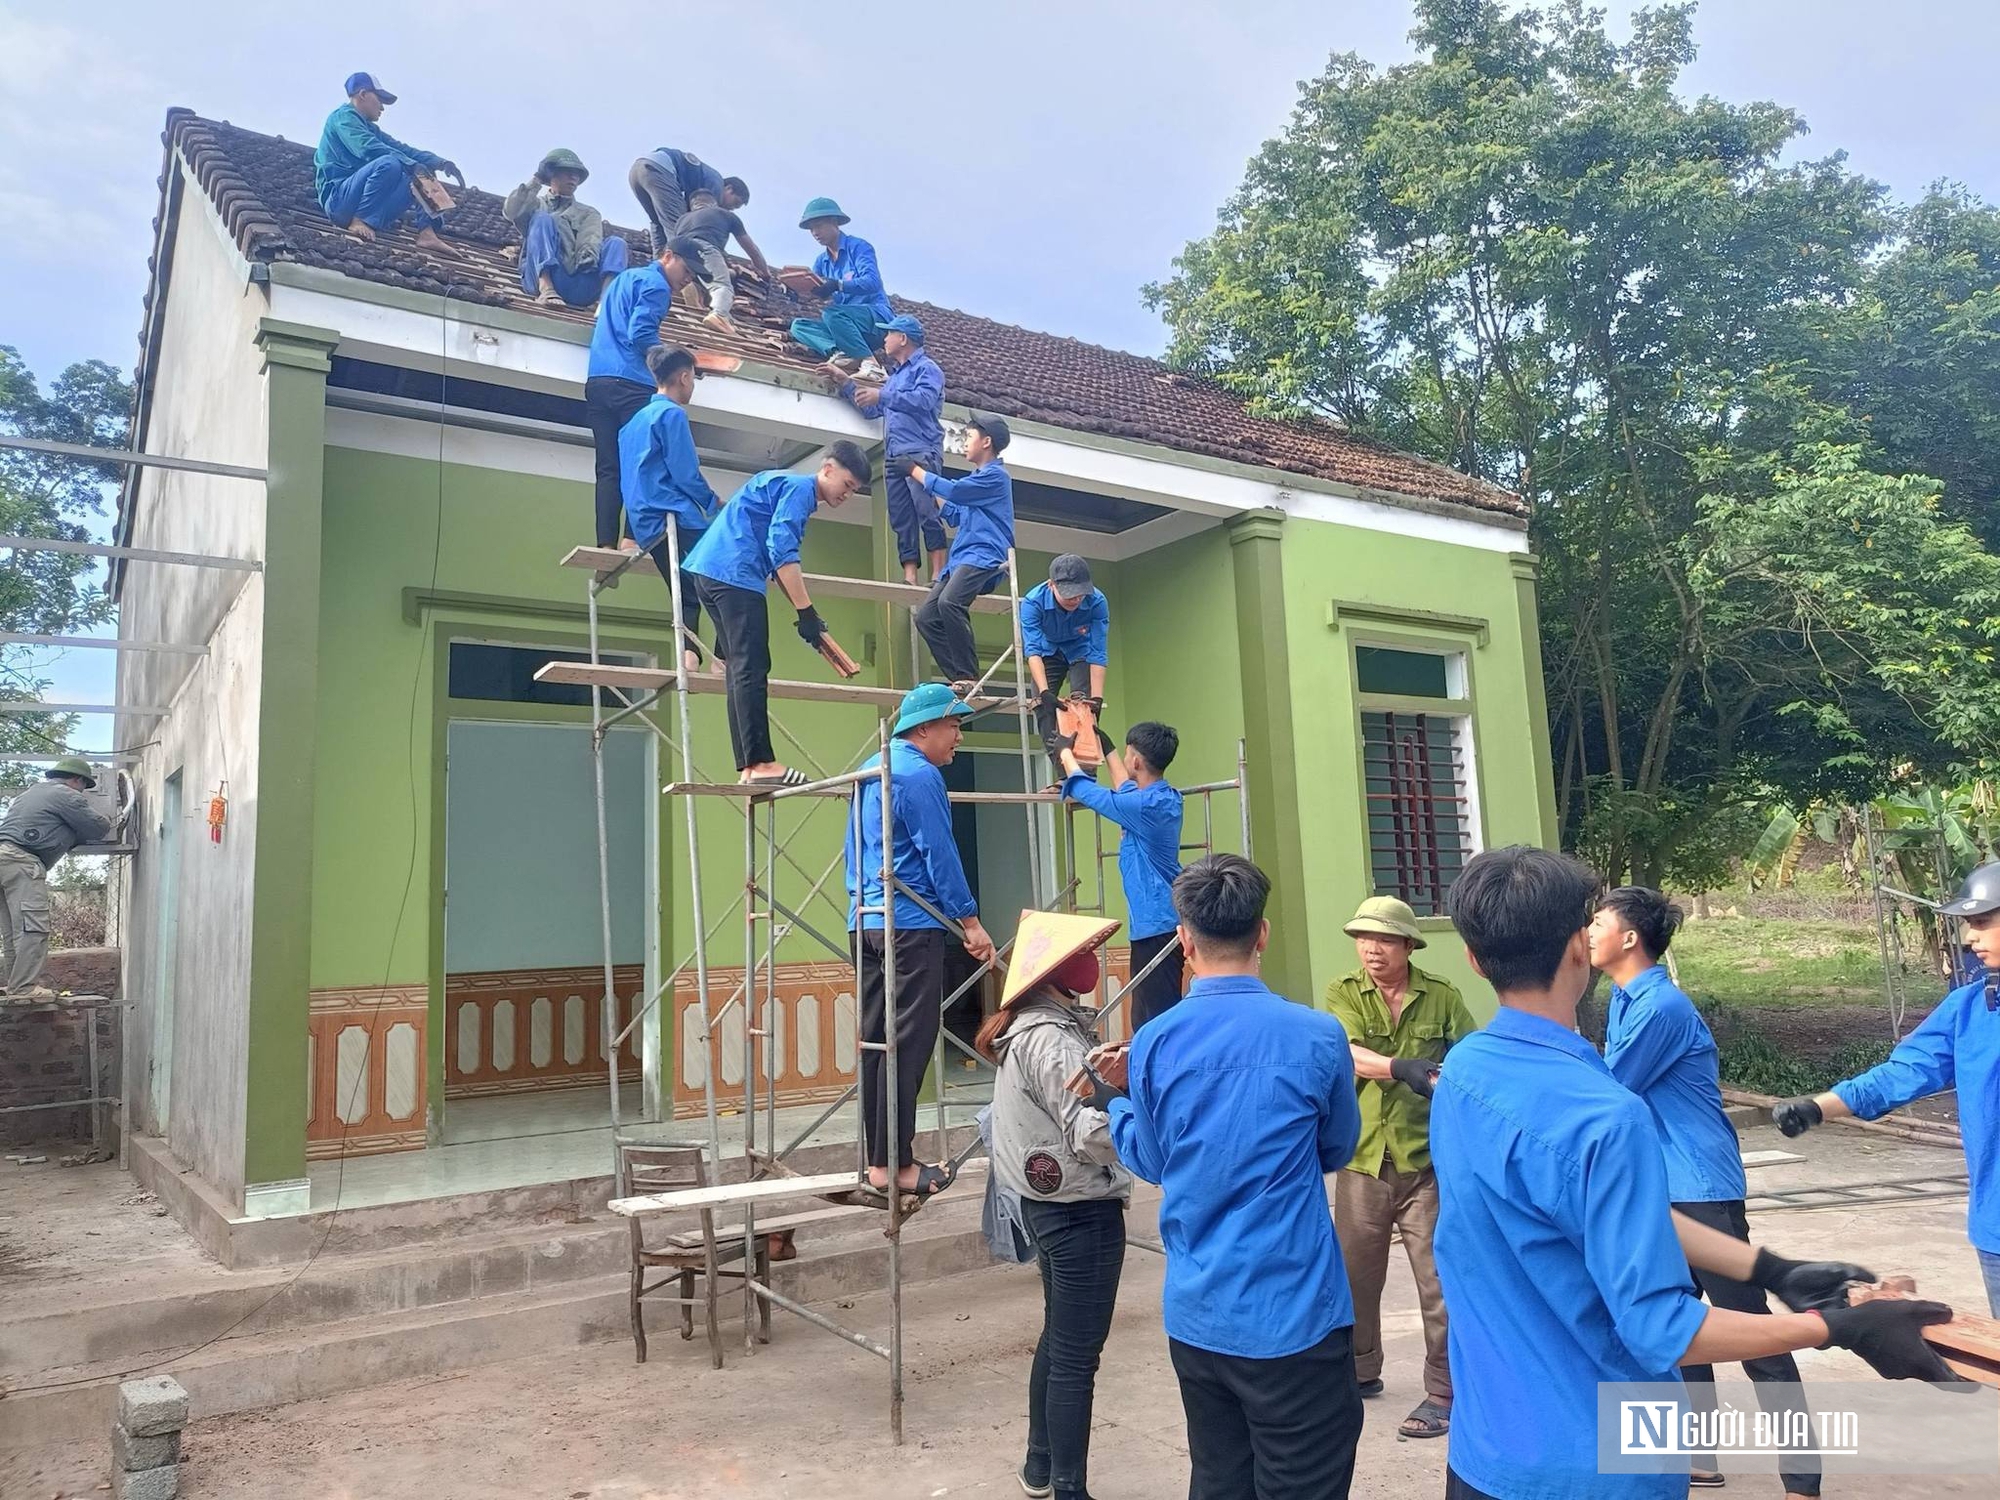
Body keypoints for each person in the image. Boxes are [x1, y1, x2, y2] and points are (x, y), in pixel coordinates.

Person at [1433, 845, 1960, 1500]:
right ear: (1577, 948)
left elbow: (1599, 1211)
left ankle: (1792, 1475)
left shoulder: (1463, 1072)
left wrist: (1769, 1269)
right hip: (1595, 1470)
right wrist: (1838, 1328)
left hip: (1489, 1452)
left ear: (1473, 958)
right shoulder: (1606, 1116)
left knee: (1757, 1350)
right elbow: (1662, 1329)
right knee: (1753, 1344)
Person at [1083, 853, 1366, 1500]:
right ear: (1262, 933)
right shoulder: (1319, 1036)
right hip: (1295, 1317)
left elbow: (1152, 1162)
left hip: (1199, 1317)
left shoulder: (1154, 1041)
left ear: (1184, 940)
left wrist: (1116, 1102)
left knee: (1218, 1480)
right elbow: (1337, 1146)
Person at [1591, 885, 1819, 1500]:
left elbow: (1611, 1091)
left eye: (1599, 921)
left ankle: (1803, 1478)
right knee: (1675, 1324)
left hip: (1700, 1185)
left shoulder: (1661, 1006)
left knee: (1752, 1333)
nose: (1588, 931)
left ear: (1630, 938)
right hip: (1662, 1186)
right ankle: (1698, 1457)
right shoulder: (1622, 998)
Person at [1773, 860, 2000, 1316]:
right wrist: (1820, 1108)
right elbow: (1905, 1072)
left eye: (1980, 923)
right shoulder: (1971, 1008)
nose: (1969, 938)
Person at [976, 910, 1130, 1500]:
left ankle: (1041, 1466)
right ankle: (1070, 1488)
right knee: (1076, 1357)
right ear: (1060, 971)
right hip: (1079, 1208)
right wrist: (1155, 1126)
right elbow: (1088, 1132)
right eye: (1085, 952)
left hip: (1051, 1206)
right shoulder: (1052, 1039)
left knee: (1060, 1339)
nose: (1093, 961)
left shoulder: (1036, 1029)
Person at [1317, 894, 1475, 1442]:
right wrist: (1399, 1067)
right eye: (1363, 938)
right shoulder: (1343, 991)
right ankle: (1359, 1373)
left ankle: (1443, 1391)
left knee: (1439, 1283)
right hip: (1362, 1160)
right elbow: (1345, 1052)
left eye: (1383, 939)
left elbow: (1466, 1060)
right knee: (1355, 1280)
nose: (1371, 949)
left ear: (1409, 945)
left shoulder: (1444, 996)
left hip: (1426, 1162)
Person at [845, 683, 997, 1196]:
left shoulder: (873, 765)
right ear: (925, 727)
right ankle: (895, 1165)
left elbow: (854, 849)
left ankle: (878, 1161)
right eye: (953, 726)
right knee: (908, 1045)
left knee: (877, 1042)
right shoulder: (919, 774)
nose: (958, 736)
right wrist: (970, 922)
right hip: (910, 925)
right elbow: (940, 854)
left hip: (865, 920)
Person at [683, 444, 873, 785]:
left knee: (738, 670)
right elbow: (782, 552)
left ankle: (749, 767)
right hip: (735, 573)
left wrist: (806, 616)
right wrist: (807, 613)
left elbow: (777, 561)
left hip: (709, 572)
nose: (848, 494)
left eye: (854, 490)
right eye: (847, 485)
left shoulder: (783, 484)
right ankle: (761, 763)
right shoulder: (800, 489)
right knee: (752, 668)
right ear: (827, 469)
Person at [584, 238, 712, 550]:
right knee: (641, 462)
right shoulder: (657, 286)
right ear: (668, 256)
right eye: (686, 269)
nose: (688, 279)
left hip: (598, 380)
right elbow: (640, 333)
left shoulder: (623, 280)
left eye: (694, 276)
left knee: (608, 468)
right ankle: (630, 539)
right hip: (631, 383)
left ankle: (605, 544)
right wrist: (674, 361)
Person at [1055, 723, 1185, 1027]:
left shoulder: (1147, 806)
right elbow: (1124, 786)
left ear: (1137, 762)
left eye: (1128, 755)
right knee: (1145, 1013)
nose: (1126, 761)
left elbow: (1093, 794)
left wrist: (1064, 753)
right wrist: (1108, 747)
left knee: (1156, 1019)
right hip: (1154, 925)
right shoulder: (1154, 799)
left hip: (1158, 928)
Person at [619, 345, 721, 674]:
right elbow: (684, 472)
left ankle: (689, 654)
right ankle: (726, 658)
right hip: (673, 513)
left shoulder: (632, 424)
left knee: (686, 588)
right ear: (684, 377)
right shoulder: (671, 414)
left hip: (646, 521)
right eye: (693, 380)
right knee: (725, 570)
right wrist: (711, 501)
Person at [834, 314, 945, 584]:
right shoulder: (894, 378)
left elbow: (924, 399)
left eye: (889, 333)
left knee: (925, 507)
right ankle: (909, 575)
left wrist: (882, 395)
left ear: (903, 338)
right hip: (895, 453)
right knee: (900, 514)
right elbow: (874, 409)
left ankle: (939, 571)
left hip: (920, 450)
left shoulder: (927, 369)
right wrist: (845, 382)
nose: (885, 338)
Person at [908, 416, 1017, 684]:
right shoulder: (976, 481)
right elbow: (955, 513)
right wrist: (928, 485)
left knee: (950, 603)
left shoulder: (995, 477)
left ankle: (968, 674)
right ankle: (960, 678)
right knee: (926, 617)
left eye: (969, 437)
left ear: (987, 441)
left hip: (984, 555)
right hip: (961, 560)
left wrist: (916, 471)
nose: (964, 443)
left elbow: (955, 492)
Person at [0, 759, 112, 1001]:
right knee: (34, 928)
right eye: (84, 786)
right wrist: (107, 819)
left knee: (13, 931)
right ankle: (24, 988)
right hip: (22, 862)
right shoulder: (65, 794)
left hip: (4, 859)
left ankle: (15, 986)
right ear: (76, 780)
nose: (83, 792)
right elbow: (97, 828)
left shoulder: (30, 793)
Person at [314, 72, 462, 252]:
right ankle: (359, 220)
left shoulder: (370, 128)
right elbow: (366, 147)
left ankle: (427, 233)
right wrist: (410, 163)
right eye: (380, 100)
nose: (382, 108)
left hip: (367, 207)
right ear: (363, 95)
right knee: (391, 163)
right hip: (339, 201)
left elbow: (402, 149)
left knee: (421, 173)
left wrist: (440, 163)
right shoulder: (343, 118)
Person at [501, 149, 629, 308]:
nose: (573, 177)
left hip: (579, 284)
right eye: (567, 172)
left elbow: (590, 240)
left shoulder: (588, 213)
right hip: (544, 277)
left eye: (577, 174)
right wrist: (537, 180)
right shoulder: (536, 204)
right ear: (552, 174)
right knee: (542, 218)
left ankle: (607, 304)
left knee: (617, 243)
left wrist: (588, 257)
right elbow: (511, 211)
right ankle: (546, 287)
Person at [1021, 556, 1109, 773]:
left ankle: (1087, 772)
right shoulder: (1033, 602)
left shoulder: (1097, 602)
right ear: (1052, 585)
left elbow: (1098, 651)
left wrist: (1096, 698)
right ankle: (1064, 773)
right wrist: (1044, 692)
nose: (1076, 600)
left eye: (1080, 594)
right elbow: (1032, 651)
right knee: (1042, 704)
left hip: (1081, 652)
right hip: (1047, 652)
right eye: (1069, 595)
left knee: (1083, 705)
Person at [788, 198, 892, 369]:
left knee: (832, 314)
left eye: (819, 225)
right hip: (846, 329)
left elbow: (872, 282)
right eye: (811, 229)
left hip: (876, 320)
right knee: (798, 326)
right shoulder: (822, 261)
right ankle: (842, 353)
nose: (815, 232)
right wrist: (797, 290)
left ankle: (869, 361)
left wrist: (838, 285)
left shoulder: (858, 247)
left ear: (834, 222)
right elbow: (816, 291)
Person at [673, 190, 770, 331]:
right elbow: (752, 249)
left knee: (696, 276)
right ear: (714, 203)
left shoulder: (682, 219)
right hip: (705, 246)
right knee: (721, 285)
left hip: (679, 249)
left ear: (693, 204)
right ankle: (719, 314)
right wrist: (764, 273)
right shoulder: (725, 214)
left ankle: (694, 288)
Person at [628, 147, 747, 258]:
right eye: (735, 203)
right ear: (729, 188)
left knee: (659, 221)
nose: (731, 209)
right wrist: (717, 256)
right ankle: (676, 264)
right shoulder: (716, 185)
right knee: (680, 228)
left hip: (639, 170)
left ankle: (659, 261)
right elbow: (703, 226)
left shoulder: (703, 180)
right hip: (660, 171)